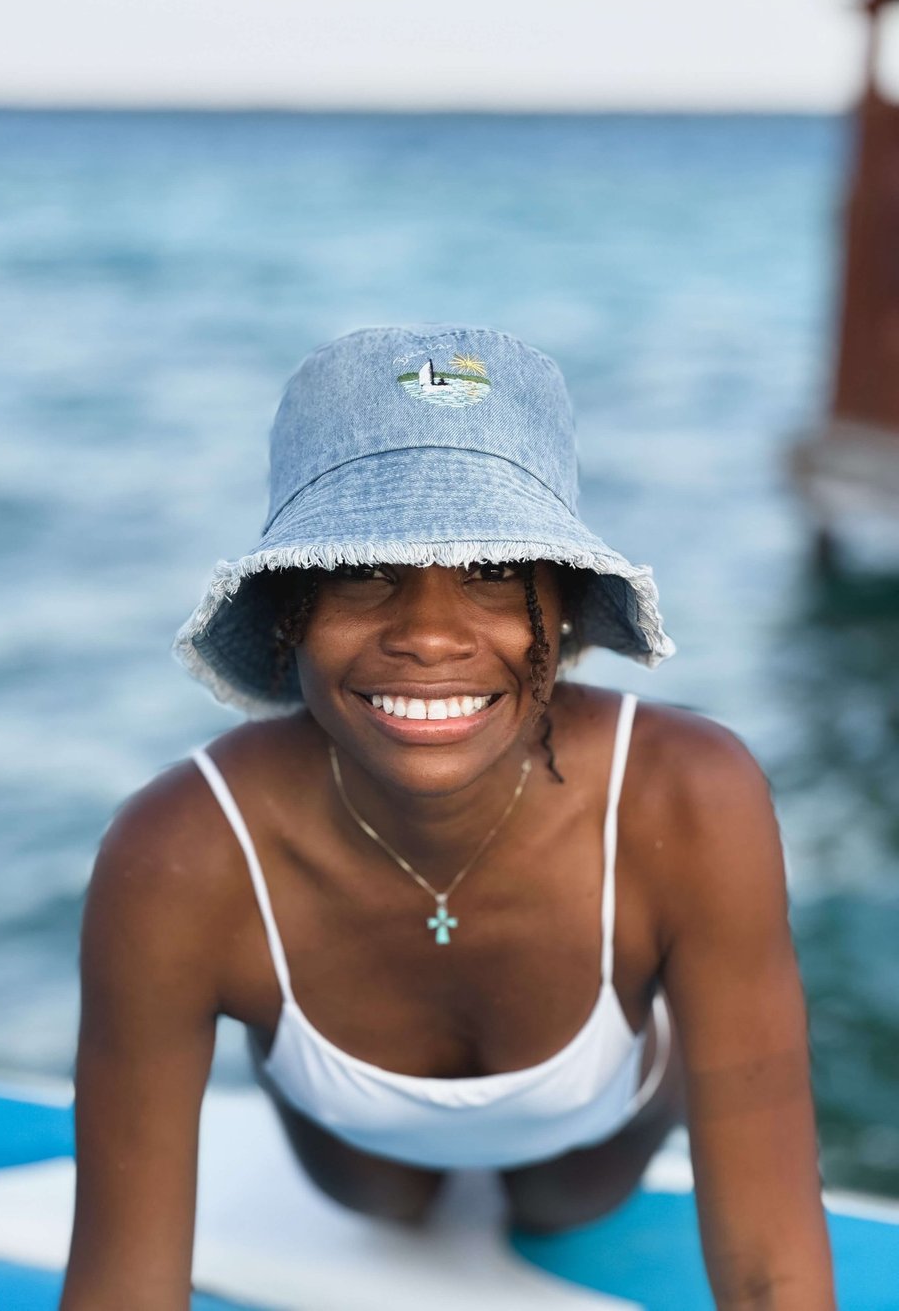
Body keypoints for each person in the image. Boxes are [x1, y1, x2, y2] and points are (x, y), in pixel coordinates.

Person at [59, 325, 835, 1310]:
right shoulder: (179, 852)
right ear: (290, 608)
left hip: (598, 1125)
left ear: (559, 606)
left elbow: (773, 1273)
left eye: (489, 570)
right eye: (359, 568)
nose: (428, 632)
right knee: (382, 1198)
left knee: (565, 1199)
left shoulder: (689, 797)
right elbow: (121, 1285)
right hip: (351, 1143)